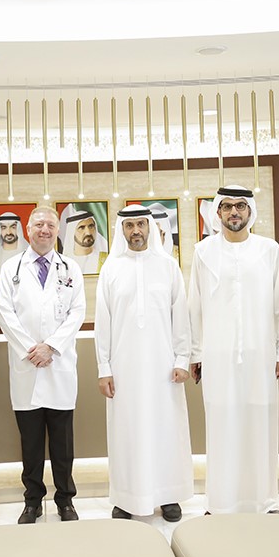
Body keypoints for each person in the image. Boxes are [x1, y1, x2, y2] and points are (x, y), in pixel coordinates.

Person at [188, 186, 279, 514]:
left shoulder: (269, 249)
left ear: (250, 211)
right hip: (217, 356)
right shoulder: (203, 252)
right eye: (228, 206)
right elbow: (194, 307)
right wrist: (195, 353)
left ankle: (265, 500)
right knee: (221, 425)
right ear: (218, 212)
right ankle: (219, 501)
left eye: (241, 206)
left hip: (261, 354)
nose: (234, 212)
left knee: (261, 424)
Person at [95, 205, 193, 521]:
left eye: (141, 224)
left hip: (164, 367)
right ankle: (127, 498)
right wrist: (104, 368)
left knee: (166, 428)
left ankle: (168, 495)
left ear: (150, 227)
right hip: (123, 368)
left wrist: (182, 358)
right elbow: (102, 323)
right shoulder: (111, 269)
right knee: (126, 431)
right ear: (121, 230)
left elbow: (181, 316)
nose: (136, 230)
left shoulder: (168, 267)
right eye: (129, 226)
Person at [0, 206, 85, 524]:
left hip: (59, 366)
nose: (44, 230)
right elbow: (4, 313)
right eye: (38, 225)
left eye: (50, 225)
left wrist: (52, 347)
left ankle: (65, 500)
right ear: (28, 230)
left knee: (63, 444)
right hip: (28, 367)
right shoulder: (11, 269)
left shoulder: (70, 268)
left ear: (57, 230)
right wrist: (31, 350)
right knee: (31, 444)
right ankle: (32, 501)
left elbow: (77, 312)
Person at [58, 205, 108, 274]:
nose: (88, 232)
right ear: (72, 232)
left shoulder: (105, 259)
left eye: (91, 226)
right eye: (82, 228)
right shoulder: (64, 263)